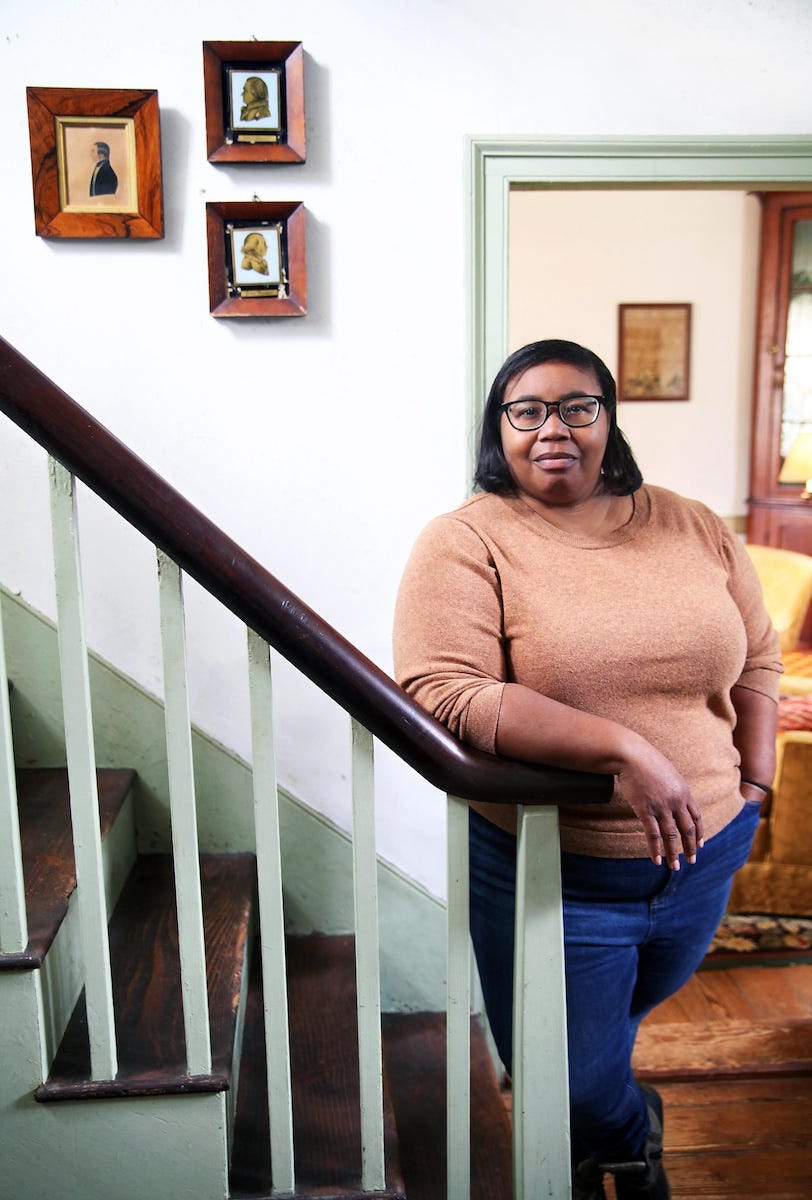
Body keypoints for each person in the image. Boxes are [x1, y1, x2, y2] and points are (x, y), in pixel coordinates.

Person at [393, 338, 782, 1199]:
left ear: (608, 421)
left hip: (703, 856)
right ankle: (626, 1142)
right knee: (563, 1072)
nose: (553, 428)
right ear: (501, 430)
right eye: (526, 410)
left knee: (605, 1036)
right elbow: (445, 691)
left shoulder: (691, 524)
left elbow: (759, 659)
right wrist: (624, 750)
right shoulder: (467, 541)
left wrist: (754, 786)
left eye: (578, 407)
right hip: (555, 871)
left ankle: (587, 1134)